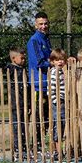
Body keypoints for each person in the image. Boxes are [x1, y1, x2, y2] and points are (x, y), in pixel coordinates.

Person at [27, 11, 52, 150]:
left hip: (48, 83)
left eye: (46, 23)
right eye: (41, 24)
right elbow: (39, 62)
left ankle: (45, 144)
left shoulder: (46, 39)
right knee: (38, 116)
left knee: (48, 116)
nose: (44, 26)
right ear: (36, 25)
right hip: (38, 85)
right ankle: (36, 145)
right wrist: (54, 63)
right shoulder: (34, 40)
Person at [7, 48, 28, 160]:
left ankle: (23, 148)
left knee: (23, 126)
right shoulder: (11, 69)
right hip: (15, 102)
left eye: (25, 58)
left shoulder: (23, 70)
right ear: (14, 59)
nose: (24, 60)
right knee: (17, 126)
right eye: (22, 58)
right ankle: (17, 150)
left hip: (23, 102)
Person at [49, 48, 68, 157]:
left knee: (62, 123)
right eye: (57, 60)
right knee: (58, 124)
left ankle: (58, 151)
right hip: (58, 103)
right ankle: (58, 151)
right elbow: (52, 89)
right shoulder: (54, 73)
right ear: (52, 62)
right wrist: (58, 101)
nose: (60, 61)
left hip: (62, 102)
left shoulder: (61, 72)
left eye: (62, 59)